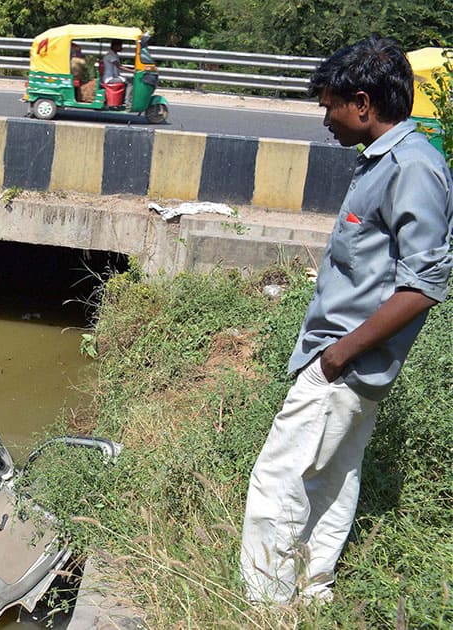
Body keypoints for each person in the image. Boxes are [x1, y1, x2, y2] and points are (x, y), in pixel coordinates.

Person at [239, 34, 453, 604]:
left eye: (329, 105)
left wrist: (337, 355)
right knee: (332, 483)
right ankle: (310, 594)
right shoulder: (387, 163)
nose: (325, 118)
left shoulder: (412, 168)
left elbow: (425, 284)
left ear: (361, 103)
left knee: (278, 480)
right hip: (350, 364)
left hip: (343, 364)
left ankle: (261, 604)